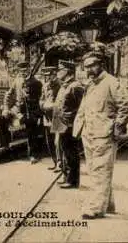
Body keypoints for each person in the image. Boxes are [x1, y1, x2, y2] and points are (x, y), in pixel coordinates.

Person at [73, 50, 128, 219]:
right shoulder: (90, 85)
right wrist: (79, 130)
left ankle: (95, 208)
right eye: (86, 67)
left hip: (104, 135)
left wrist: (116, 128)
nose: (89, 70)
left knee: (100, 170)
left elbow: (126, 106)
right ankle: (108, 204)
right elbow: (84, 109)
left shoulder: (112, 83)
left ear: (101, 65)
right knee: (95, 171)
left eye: (92, 66)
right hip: (89, 134)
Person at [50, 60, 84, 189]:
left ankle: (73, 180)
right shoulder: (65, 86)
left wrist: (73, 121)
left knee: (71, 153)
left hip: (69, 124)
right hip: (61, 123)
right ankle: (66, 176)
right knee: (64, 151)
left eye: (61, 70)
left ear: (68, 72)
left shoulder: (75, 86)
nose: (58, 72)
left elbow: (82, 107)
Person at [0, 62, 28, 148]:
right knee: (3, 117)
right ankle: (4, 144)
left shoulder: (32, 81)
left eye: (25, 71)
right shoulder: (16, 81)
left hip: (28, 109)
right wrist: (6, 108)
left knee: (29, 122)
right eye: (21, 71)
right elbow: (8, 95)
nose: (23, 73)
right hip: (17, 108)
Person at [40, 66, 61, 171]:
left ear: (54, 74)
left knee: (58, 142)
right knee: (50, 141)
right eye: (46, 76)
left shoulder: (60, 85)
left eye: (49, 76)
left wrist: (52, 105)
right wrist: (43, 105)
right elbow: (42, 98)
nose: (47, 78)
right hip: (47, 117)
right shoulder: (45, 86)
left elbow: (62, 102)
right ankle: (55, 162)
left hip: (57, 117)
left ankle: (60, 164)